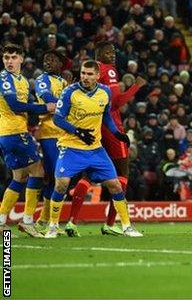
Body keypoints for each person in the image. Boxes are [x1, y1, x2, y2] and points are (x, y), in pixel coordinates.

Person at [44, 60, 142, 238]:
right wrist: (78, 132)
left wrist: (116, 133)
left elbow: (106, 117)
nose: (85, 77)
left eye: (89, 74)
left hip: (95, 149)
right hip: (71, 147)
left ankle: (127, 226)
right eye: (83, 73)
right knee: (61, 185)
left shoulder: (104, 92)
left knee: (115, 185)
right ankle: (52, 225)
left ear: (97, 76)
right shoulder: (70, 92)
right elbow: (58, 119)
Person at [66, 41, 147, 237]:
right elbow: (116, 103)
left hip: (92, 126)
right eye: (108, 51)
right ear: (98, 53)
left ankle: (72, 222)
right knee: (123, 172)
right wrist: (136, 87)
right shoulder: (108, 70)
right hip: (111, 127)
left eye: (114, 52)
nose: (113, 55)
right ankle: (111, 223)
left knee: (88, 175)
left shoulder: (87, 73)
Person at [0, 44, 56, 237]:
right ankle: (27, 221)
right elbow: (15, 105)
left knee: (20, 176)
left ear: (22, 59)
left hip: (12, 133)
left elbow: (27, 106)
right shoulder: (5, 78)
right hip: (13, 133)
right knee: (38, 171)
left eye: (13, 57)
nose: (9, 61)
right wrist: (45, 108)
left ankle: (1, 223)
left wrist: (39, 109)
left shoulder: (22, 81)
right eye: (6, 57)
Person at [33, 50, 68, 231]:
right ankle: (43, 220)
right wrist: (66, 105)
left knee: (60, 179)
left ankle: (44, 220)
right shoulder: (42, 80)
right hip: (48, 133)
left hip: (64, 135)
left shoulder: (63, 82)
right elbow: (48, 100)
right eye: (46, 60)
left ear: (60, 64)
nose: (48, 62)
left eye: (52, 60)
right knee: (56, 175)